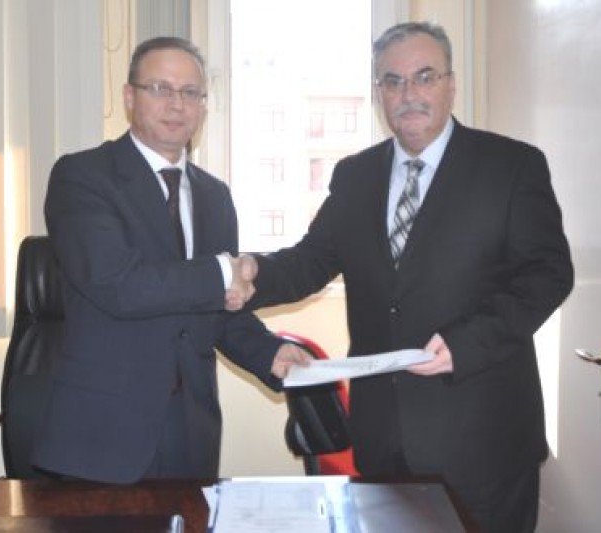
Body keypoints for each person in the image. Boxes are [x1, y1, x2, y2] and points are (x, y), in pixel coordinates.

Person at [239, 21, 574, 533]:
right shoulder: (356, 175)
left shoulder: (511, 166)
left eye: (424, 77)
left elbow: (549, 274)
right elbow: (309, 262)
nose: (408, 93)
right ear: (379, 92)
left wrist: (468, 342)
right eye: (392, 81)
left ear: (450, 84)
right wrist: (247, 272)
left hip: (485, 443)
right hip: (383, 439)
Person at [32, 36, 308, 484]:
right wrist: (224, 270)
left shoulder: (215, 196)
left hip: (191, 435)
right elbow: (119, 284)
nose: (177, 104)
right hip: (101, 438)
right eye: (160, 88)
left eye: (191, 92)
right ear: (129, 96)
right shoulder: (82, 176)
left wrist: (271, 353)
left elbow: (219, 309)